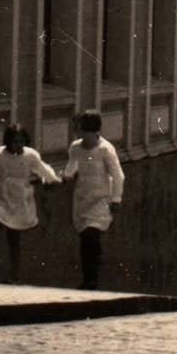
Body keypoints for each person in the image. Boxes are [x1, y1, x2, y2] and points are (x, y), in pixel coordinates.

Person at [0, 124, 58, 282]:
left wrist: (52, 179)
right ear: (7, 141)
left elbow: (43, 169)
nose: (18, 144)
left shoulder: (30, 155)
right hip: (1, 198)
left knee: (14, 239)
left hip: (20, 200)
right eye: (14, 141)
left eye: (21, 141)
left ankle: (14, 276)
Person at [61, 110, 124, 291]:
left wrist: (116, 199)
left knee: (91, 235)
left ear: (87, 129)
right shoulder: (75, 148)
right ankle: (87, 278)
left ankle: (92, 278)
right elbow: (72, 168)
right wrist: (65, 176)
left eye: (78, 127)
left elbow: (118, 176)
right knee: (85, 238)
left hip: (101, 201)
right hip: (82, 200)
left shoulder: (105, 149)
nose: (75, 131)